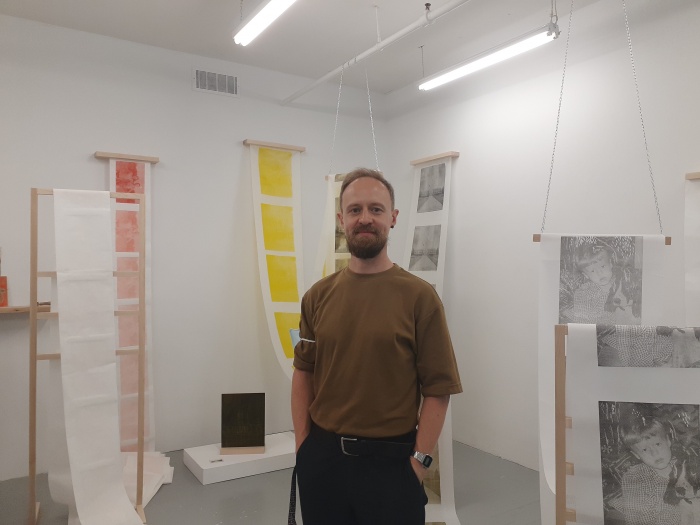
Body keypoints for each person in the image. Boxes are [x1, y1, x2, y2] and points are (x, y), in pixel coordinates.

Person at [290, 168, 462, 525]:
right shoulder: (317, 297)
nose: (364, 218)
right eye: (354, 210)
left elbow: (438, 390)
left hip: (392, 466)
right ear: (341, 219)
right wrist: (303, 446)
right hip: (323, 462)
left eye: (376, 209)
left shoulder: (419, 298)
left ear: (393, 218)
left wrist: (418, 464)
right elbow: (303, 373)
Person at [619, 416, 681, 525]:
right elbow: (633, 520)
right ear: (636, 455)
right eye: (645, 450)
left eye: (658, 444)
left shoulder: (686, 466)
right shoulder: (634, 477)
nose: (655, 453)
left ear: (668, 440)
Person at [562, 243, 640, 325]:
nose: (600, 273)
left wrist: (627, 304)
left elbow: (634, 299)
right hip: (594, 323)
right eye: (592, 271)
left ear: (610, 264)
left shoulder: (622, 281)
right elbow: (584, 316)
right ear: (586, 275)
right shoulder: (585, 292)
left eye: (602, 266)